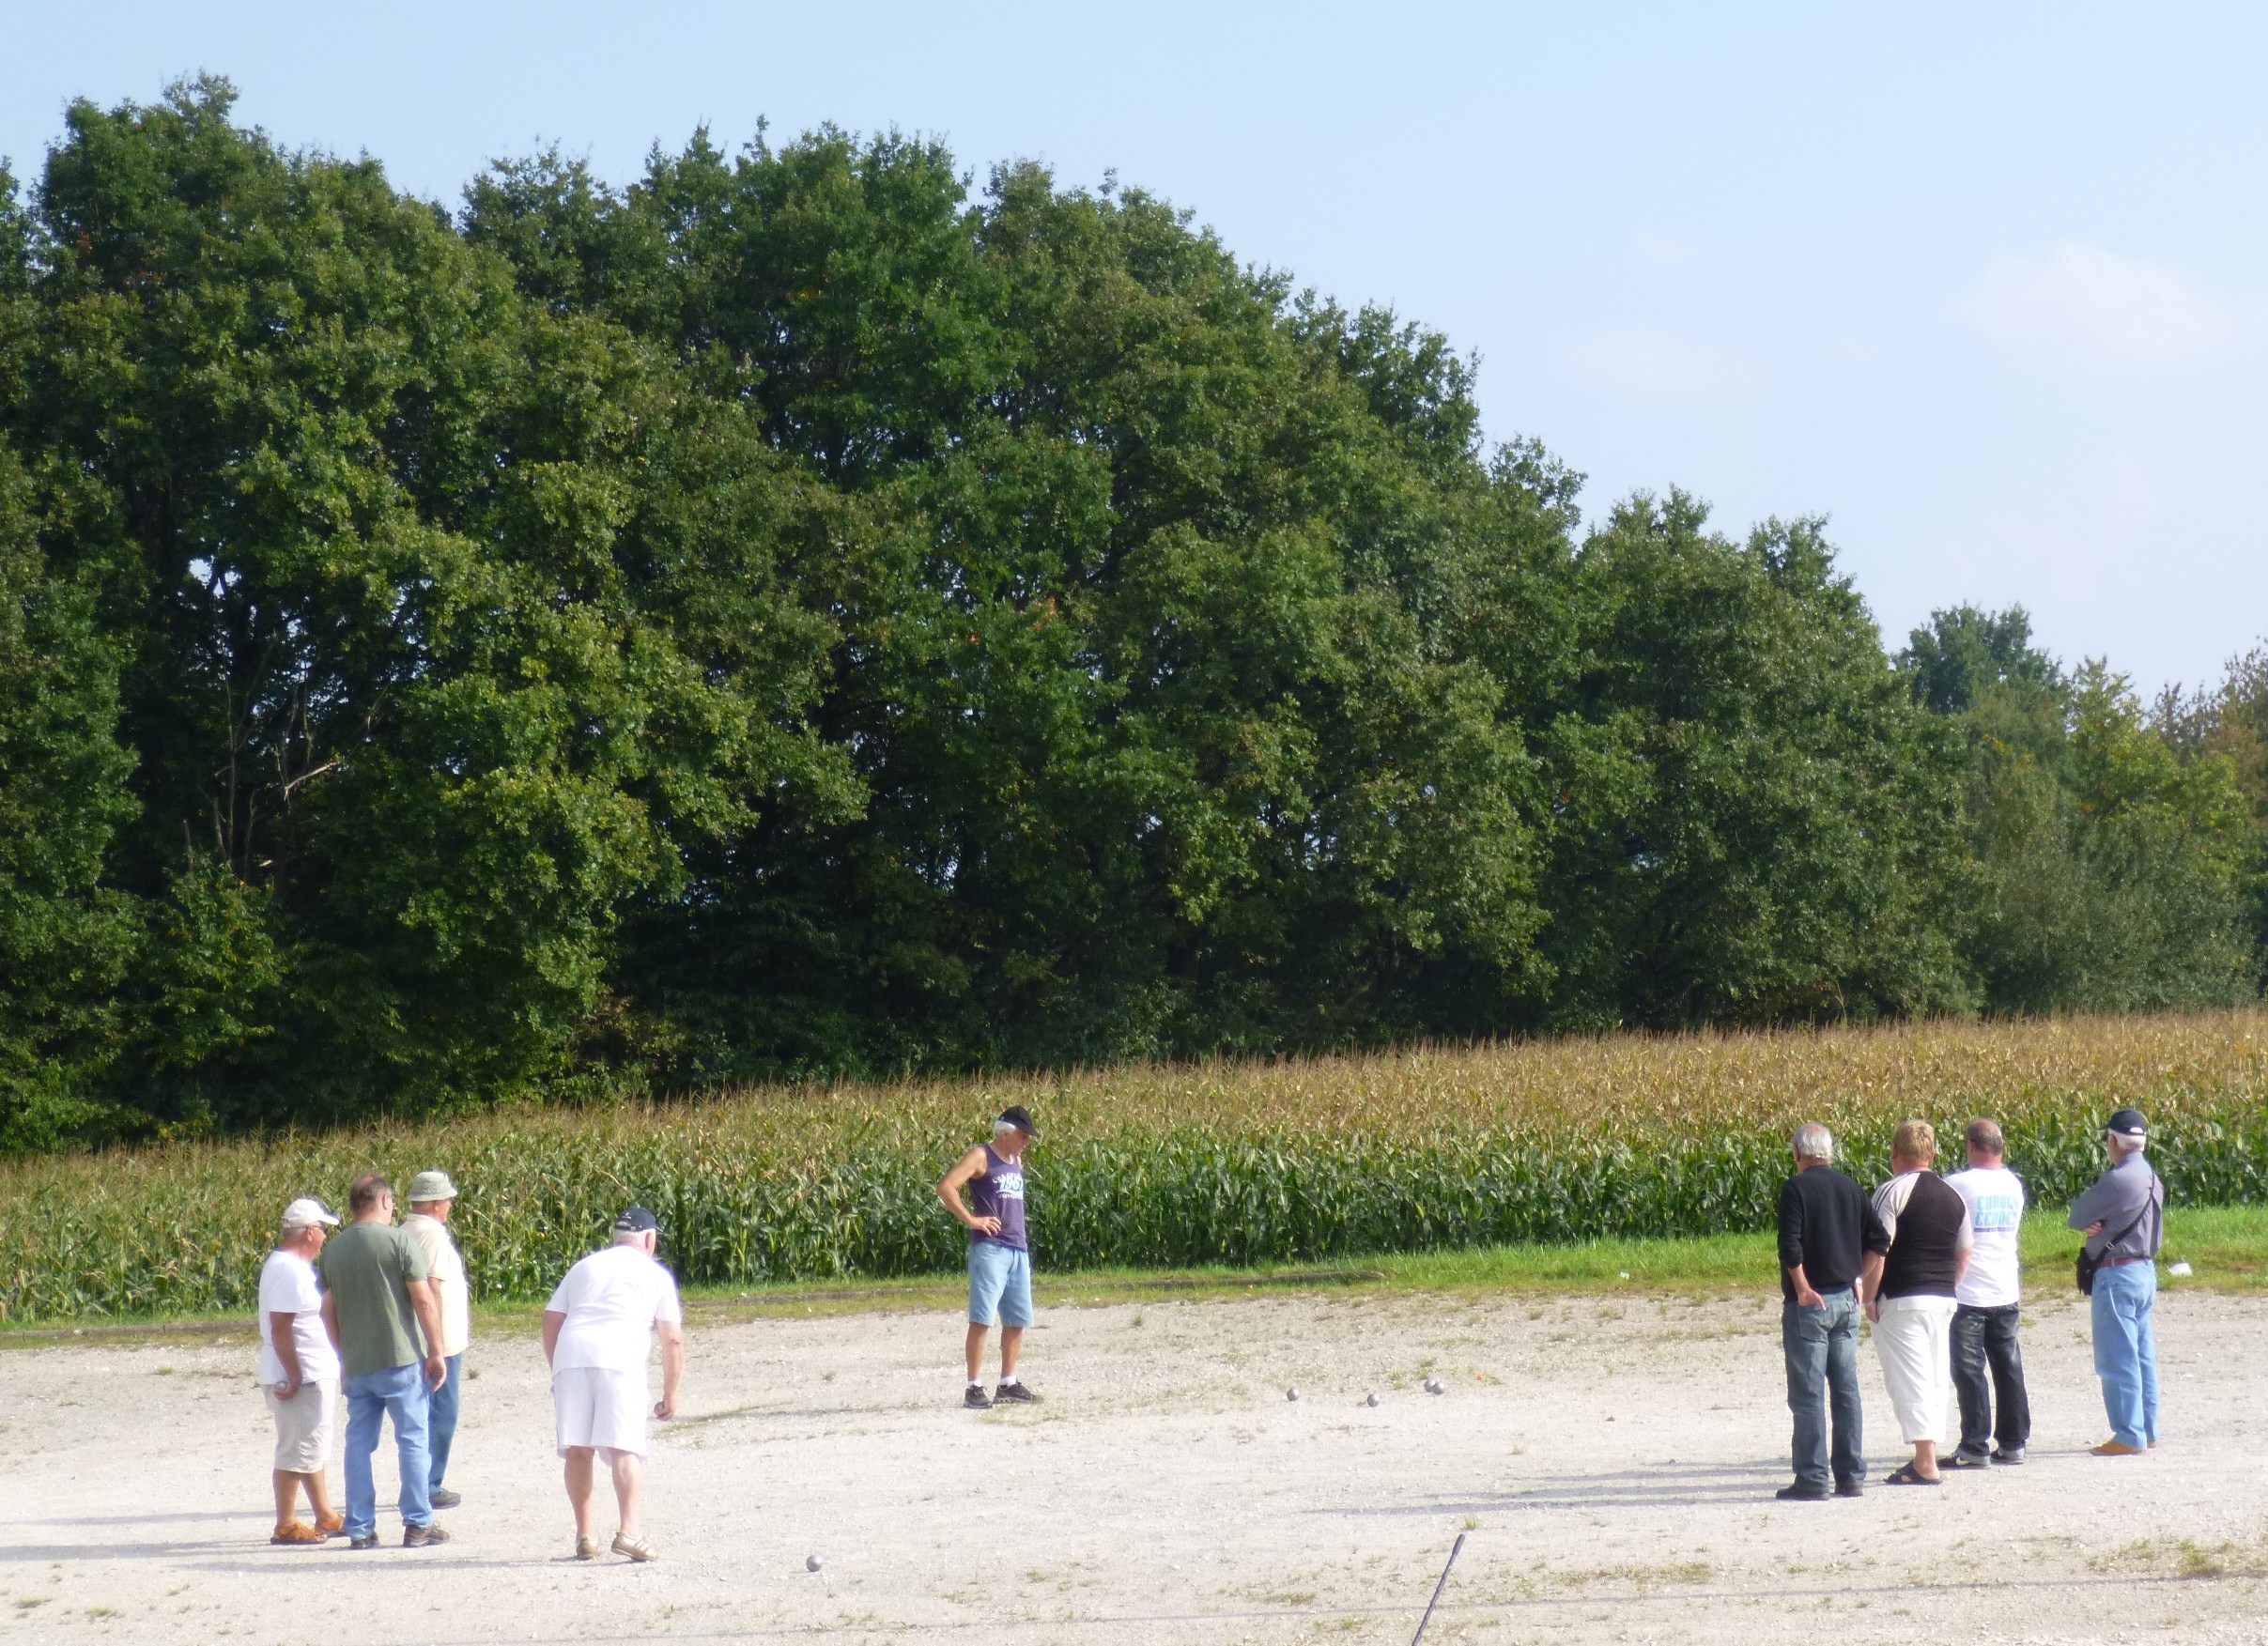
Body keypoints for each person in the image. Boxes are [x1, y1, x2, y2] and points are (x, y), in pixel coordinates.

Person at [543, 1207, 685, 1562]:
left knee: (578, 1449)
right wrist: (670, 1393)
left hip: (572, 1356)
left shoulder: (584, 1266)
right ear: (649, 1239)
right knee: (624, 1448)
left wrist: (558, 1368)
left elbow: (552, 1317)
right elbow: (673, 1339)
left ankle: (585, 1535)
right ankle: (630, 1532)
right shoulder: (655, 1275)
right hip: (619, 1360)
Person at [318, 1174, 451, 1548]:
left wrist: (343, 1353)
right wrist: (437, 1351)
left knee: (358, 1444)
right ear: (385, 1201)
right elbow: (423, 1299)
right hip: (400, 1357)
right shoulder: (399, 1241)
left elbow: (327, 1309)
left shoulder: (333, 1250)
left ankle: (360, 1528)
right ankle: (418, 1522)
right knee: (412, 1439)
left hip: (358, 1362)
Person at [1774, 1122, 1890, 1500]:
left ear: (1798, 1153)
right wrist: (1858, 1276)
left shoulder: (1795, 1189)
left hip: (1811, 1305)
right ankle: (1851, 1474)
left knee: (1808, 1395)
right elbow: (1880, 1239)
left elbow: (1790, 1247)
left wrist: (1802, 1288)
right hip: (1845, 1300)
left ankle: (1812, 1477)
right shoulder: (1850, 1187)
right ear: (1829, 1152)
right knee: (1846, 1391)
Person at [1867, 1120, 1973, 1485]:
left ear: (1895, 1152)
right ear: (1933, 1154)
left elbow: (1878, 1249)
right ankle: (1926, 1455)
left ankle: (1925, 1462)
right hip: (1943, 1297)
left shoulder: (1891, 1191)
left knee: (1909, 1378)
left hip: (1902, 1297)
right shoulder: (1953, 1195)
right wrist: (1950, 1284)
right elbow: (1965, 1251)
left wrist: (1869, 1296)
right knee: (1935, 1377)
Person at [2068, 1107, 2165, 1456]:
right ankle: (2148, 1429)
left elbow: (2077, 1215)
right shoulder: (2151, 1175)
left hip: (2118, 1273)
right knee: (2142, 1355)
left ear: (2114, 1141)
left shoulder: (2118, 1178)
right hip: (2144, 1270)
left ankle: (2128, 1434)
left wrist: (2094, 1224)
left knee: (2117, 1358)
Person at [937, 1104, 1039, 1410]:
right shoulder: (981, 1156)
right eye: (1023, 1135)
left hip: (1017, 1247)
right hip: (991, 1248)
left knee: (1017, 1319)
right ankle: (974, 1387)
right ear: (1006, 1133)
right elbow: (946, 1187)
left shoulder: (1016, 1159)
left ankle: (1008, 1382)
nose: (1027, 1142)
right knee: (982, 1318)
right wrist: (972, 1220)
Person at [1942, 1119, 2031, 1468]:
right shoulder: (2013, 1184)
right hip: (2005, 1286)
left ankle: (1975, 1443)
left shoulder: (1959, 1184)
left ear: (1971, 1146)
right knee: (2008, 1367)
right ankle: (2014, 1441)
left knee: (1969, 1371)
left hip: (1969, 1290)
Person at [258, 1197, 344, 1544]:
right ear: (309, 1232)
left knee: (311, 1445)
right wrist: (294, 1376)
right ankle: (286, 1523)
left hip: (310, 1371)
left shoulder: (293, 1266)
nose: (324, 1237)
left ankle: (325, 1514)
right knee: (296, 1449)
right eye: (322, 1229)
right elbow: (281, 1328)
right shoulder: (288, 1270)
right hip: (300, 1374)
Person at [402, 1170, 471, 1509]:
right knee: (443, 1413)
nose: (450, 1205)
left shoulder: (406, 1229)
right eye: (447, 1200)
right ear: (434, 1203)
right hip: (441, 1341)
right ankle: (429, 1484)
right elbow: (433, 1288)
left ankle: (422, 1481)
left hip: (418, 1337)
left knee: (424, 1412)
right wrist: (438, 1345)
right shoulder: (432, 1233)